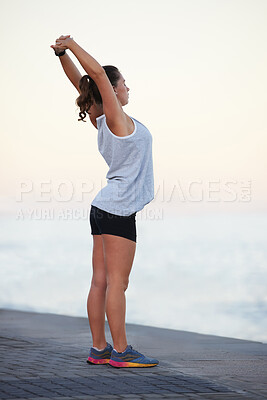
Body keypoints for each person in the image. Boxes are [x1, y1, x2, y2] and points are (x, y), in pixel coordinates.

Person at [50, 35, 159, 368]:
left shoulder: (102, 118)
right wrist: (72, 45)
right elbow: (95, 76)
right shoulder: (114, 118)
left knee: (100, 280)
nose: (128, 88)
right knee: (118, 283)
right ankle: (121, 351)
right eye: (123, 84)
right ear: (112, 90)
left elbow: (81, 83)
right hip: (118, 208)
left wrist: (62, 55)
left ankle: (99, 349)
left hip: (104, 207)